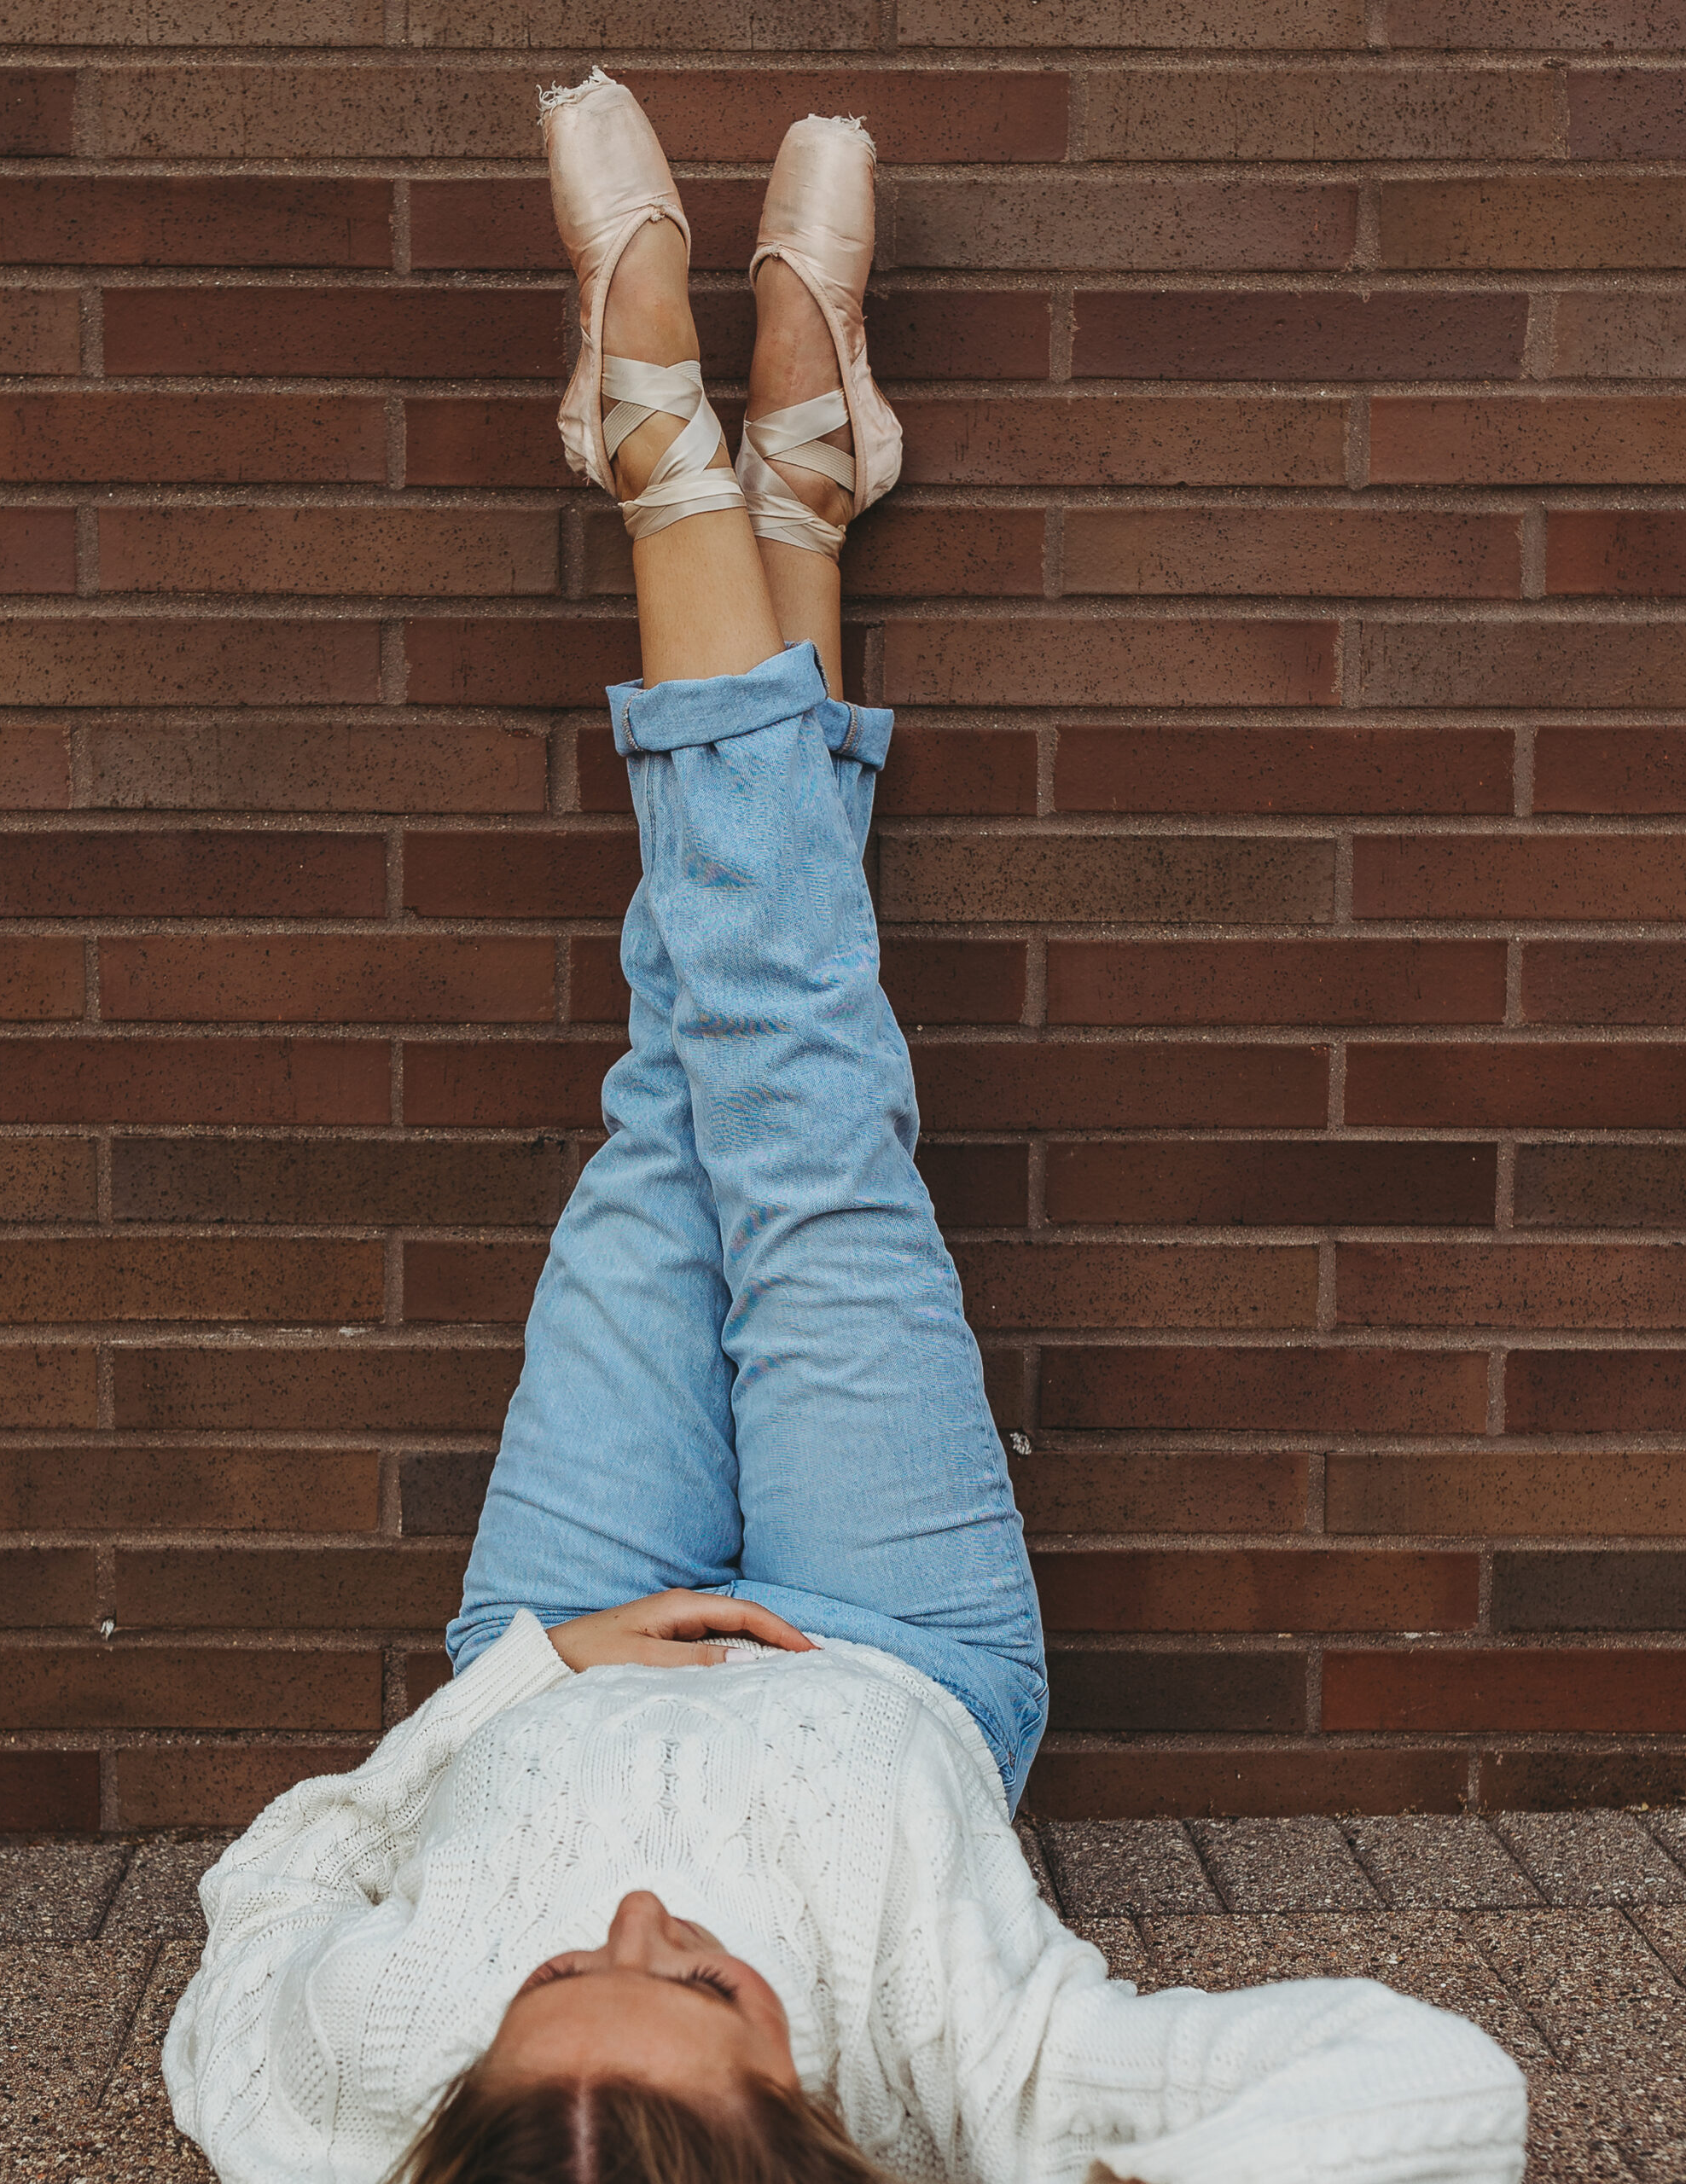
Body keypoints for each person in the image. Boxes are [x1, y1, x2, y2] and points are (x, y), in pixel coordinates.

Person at [162, 74, 1528, 2184]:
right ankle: (683, 470)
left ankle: (766, 490)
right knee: (796, 1105)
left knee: (682, 1078)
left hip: (565, 1620)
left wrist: (516, 1695)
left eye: (551, 1972)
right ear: (812, 2118)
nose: (634, 1922)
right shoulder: (981, 2077)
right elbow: (1450, 2098)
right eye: (703, 1985)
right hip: (897, 1654)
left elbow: (261, 1893)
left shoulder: (339, 2098)